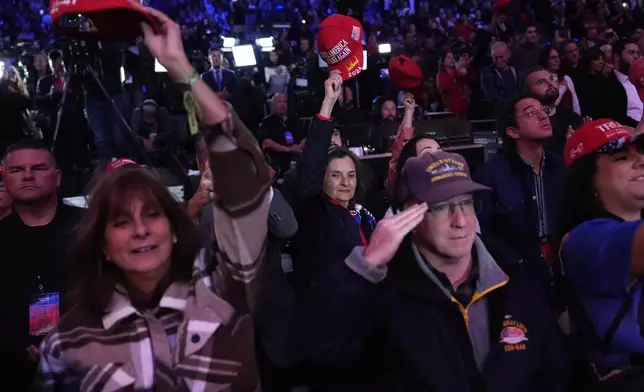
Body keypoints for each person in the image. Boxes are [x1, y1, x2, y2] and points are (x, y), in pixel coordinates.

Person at [33, 5, 273, 390]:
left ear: (175, 227)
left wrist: (179, 65)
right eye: (121, 221)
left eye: (152, 214)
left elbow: (245, 178)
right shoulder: (67, 344)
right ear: (103, 244)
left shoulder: (224, 289)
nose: (141, 230)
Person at [292, 151, 570, 391]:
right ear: (407, 215)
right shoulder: (382, 292)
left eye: (466, 203)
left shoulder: (515, 276)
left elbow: (555, 372)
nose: (461, 221)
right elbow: (319, 351)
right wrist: (363, 266)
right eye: (441, 207)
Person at [560, 118, 644, 390]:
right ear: (589, 181)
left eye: (642, 154)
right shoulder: (583, 240)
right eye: (621, 157)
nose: (641, 162)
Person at [0, 140, 82, 389]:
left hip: (91, 359)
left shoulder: (89, 228)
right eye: (17, 170)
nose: (27, 176)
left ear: (57, 178)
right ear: (5, 180)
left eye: (38, 168)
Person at [289, 72, 377, 294]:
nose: (346, 182)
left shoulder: (363, 214)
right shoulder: (315, 211)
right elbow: (312, 165)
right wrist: (328, 103)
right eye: (335, 175)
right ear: (323, 178)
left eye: (351, 175)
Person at [475, 96, 566, 297]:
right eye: (531, 113)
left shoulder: (558, 164)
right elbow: (483, 229)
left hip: (561, 265)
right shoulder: (492, 173)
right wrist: (515, 261)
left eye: (542, 109)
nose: (543, 115)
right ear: (512, 131)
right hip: (516, 272)